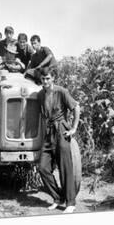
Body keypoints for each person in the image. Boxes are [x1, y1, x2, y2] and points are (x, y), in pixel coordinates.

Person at [36, 67, 81, 213]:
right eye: (43, 79)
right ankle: (57, 197)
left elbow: (76, 107)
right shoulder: (40, 95)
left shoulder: (61, 92)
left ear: (53, 78)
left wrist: (73, 128)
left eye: (48, 78)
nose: (45, 81)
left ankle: (70, 203)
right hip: (48, 132)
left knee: (65, 167)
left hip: (61, 129)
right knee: (43, 167)